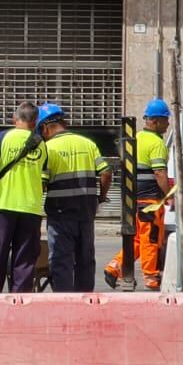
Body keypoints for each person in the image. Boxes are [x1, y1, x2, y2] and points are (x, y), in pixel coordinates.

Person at [38, 103, 110, 292]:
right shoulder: (88, 144)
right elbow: (106, 172)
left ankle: (64, 300)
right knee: (85, 257)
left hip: (60, 213)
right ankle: (85, 299)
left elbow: (42, 183)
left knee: (61, 259)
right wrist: (101, 197)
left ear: (45, 127)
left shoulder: (48, 148)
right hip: (86, 210)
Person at [0, 103, 45, 293]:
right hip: (30, 209)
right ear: (35, 122)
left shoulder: (3, 137)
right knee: (24, 261)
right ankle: (19, 306)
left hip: (2, 208)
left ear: (15, 119)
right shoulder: (41, 143)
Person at [104, 99, 172, 290]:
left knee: (136, 238)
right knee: (151, 238)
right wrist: (168, 195)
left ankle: (113, 268)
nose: (168, 124)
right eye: (166, 120)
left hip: (131, 200)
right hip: (150, 200)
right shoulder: (156, 143)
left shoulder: (136, 137)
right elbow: (159, 173)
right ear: (156, 121)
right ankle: (151, 278)